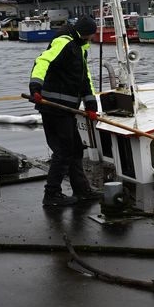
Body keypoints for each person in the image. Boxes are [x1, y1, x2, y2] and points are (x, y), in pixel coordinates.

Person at [28, 14, 103, 207]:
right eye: (91, 36)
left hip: (67, 109)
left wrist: (91, 105)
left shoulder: (80, 48)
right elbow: (41, 62)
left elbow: (84, 79)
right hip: (53, 107)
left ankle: (82, 190)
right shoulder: (64, 42)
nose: (92, 39)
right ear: (86, 34)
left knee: (76, 149)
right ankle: (51, 194)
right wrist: (35, 87)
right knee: (63, 151)